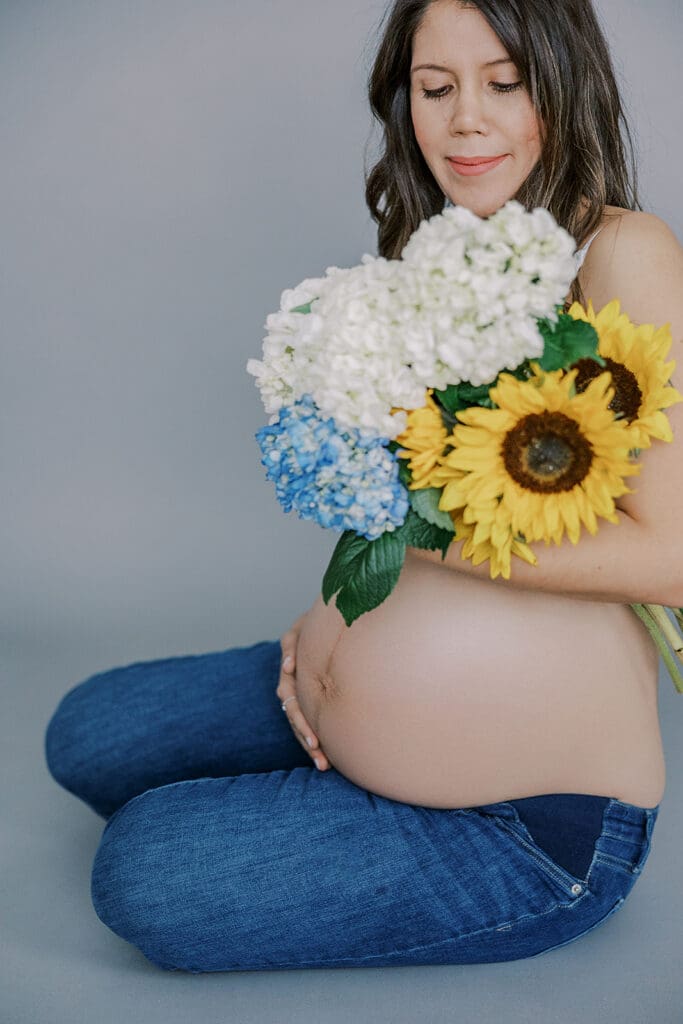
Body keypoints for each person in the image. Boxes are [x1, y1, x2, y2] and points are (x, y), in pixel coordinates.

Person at [44, 0, 682, 973]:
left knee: (141, 869)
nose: (464, 118)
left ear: (562, 83)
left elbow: (670, 555)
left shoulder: (619, 253)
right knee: (92, 732)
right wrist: (332, 626)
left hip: (519, 829)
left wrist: (406, 525)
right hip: (354, 702)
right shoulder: (435, 257)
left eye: (502, 82)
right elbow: (416, 483)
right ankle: (335, 759)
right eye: (435, 87)